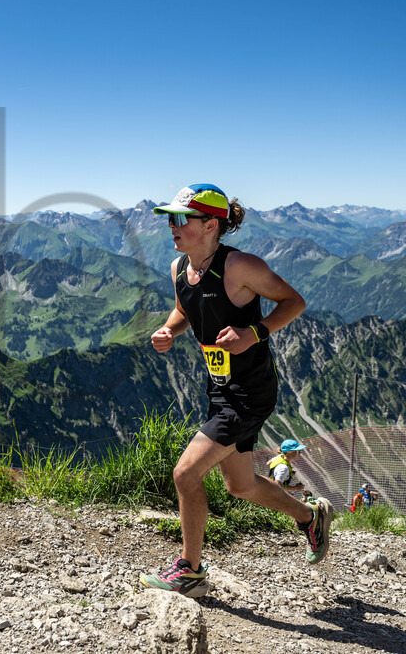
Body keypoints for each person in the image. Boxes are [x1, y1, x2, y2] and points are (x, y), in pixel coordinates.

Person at [139, 183, 334, 599]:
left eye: (180, 219)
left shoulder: (240, 266)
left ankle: (189, 571)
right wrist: (169, 330)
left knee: (186, 473)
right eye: (170, 218)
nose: (172, 227)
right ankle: (310, 516)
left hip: (250, 391)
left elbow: (293, 301)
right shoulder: (180, 268)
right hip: (220, 388)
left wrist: (254, 332)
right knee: (240, 485)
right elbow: (184, 309)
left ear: (210, 225)